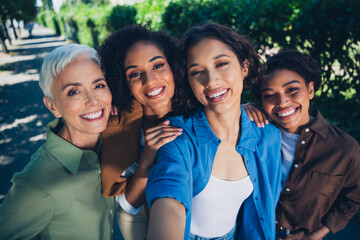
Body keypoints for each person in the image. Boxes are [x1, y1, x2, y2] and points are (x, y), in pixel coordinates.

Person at [145, 23, 283, 240]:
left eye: (221, 64)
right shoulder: (177, 137)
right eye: (197, 71)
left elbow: (263, 208)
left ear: (244, 67)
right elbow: (169, 195)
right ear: (189, 81)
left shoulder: (269, 138)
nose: (211, 81)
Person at [0, 43, 115, 239]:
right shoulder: (36, 183)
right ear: (52, 106)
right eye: (73, 91)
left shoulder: (111, 140)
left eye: (99, 85)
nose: (93, 100)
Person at [247, 49, 360, 240]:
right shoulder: (252, 135)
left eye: (292, 90)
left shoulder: (344, 149)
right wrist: (240, 111)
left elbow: (352, 198)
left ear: (310, 89)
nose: (282, 102)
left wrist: (317, 234)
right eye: (269, 95)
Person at [98, 25, 183, 240]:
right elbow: (128, 205)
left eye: (158, 65)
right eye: (135, 74)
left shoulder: (197, 111)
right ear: (123, 83)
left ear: (173, 66)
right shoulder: (117, 125)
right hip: (138, 221)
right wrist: (147, 158)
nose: (149, 81)